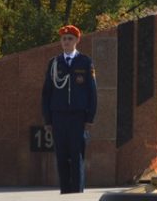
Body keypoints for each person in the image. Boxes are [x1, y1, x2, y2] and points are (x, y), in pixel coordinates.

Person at [41, 24, 97, 194]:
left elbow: (92, 91)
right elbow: (46, 94)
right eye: (64, 39)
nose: (66, 42)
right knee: (62, 157)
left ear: (77, 40)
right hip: (58, 116)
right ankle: (65, 193)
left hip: (78, 117)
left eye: (70, 39)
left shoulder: (85, 62)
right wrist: (48, 120)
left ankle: (77, 194)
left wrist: (90, 118)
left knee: (77, 155)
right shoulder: (54, 63)